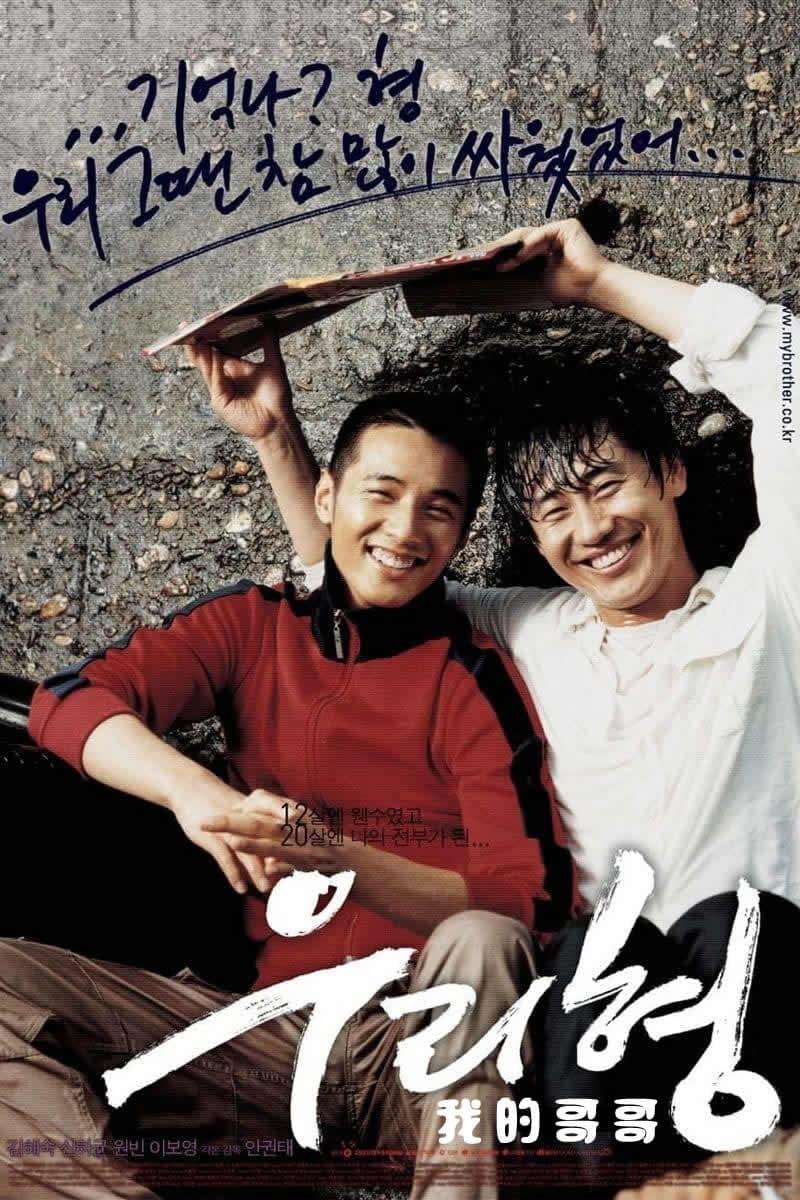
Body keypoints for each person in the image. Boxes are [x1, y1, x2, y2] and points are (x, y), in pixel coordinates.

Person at [241, 219, 800, 1193]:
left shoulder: (772, 598)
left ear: (669, 472)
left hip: (753, 1006)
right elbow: (366, 583)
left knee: (734, 921)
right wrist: (273, 436)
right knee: (593, 947)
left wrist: (592, 282)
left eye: (605, 487)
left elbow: (784, 362)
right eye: (552, 511)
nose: (590, 529)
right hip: (590, 1031)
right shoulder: (531, 633)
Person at [4, 387, 577, 1200]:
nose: (405, 530)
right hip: (266, 1045)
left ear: (460, 535)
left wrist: (332, 855)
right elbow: (69, 701)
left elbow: (530, 905)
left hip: (418, 1044)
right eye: (382, 493)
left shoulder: (477, 682)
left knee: (484, 937)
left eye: (438, 510)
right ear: (327, 497)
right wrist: (196, 795)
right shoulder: (249, 628)